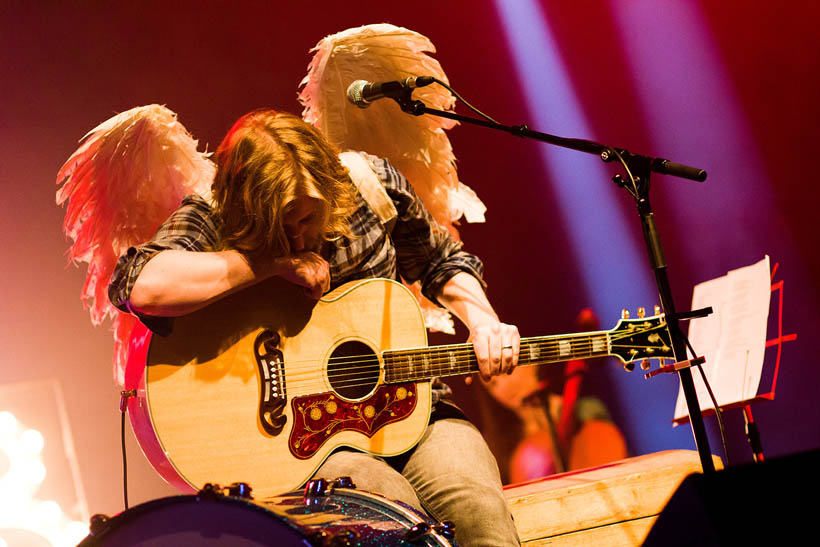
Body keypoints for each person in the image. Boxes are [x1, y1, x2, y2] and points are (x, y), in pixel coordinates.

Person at [108, 109, 521, 546]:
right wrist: (267, 265)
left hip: (417, 412)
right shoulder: (216, 214)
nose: (299, 237)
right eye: (280, 226)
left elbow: (440, 261)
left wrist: (484, 321)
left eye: (307, 219)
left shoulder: (369, 184)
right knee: (393, 521)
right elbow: (141, 285)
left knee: (479, 513)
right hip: (297, 448)